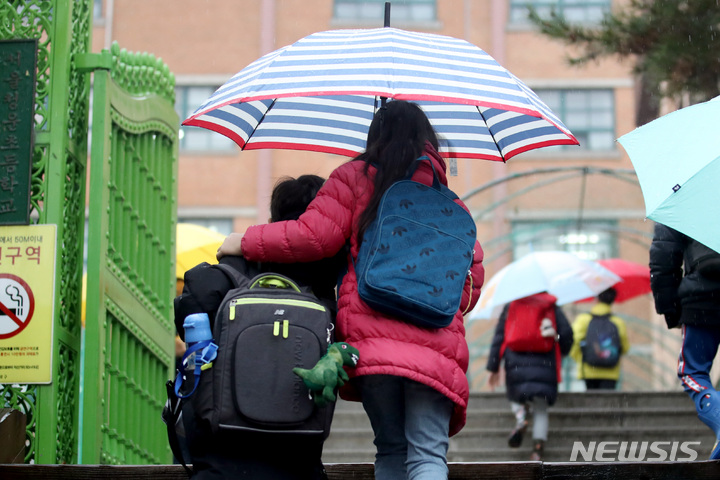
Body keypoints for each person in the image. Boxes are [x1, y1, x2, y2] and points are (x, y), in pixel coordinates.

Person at [217, 100, 485, 480]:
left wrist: (243, 240)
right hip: (437, 345)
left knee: (391, 449)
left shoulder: (354, 177)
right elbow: (471, 281)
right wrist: (432, 300)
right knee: (428, 455)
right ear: (430, 143)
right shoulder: (450, 202)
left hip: (371, 339)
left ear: (375, 136)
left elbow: (313, 237)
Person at [174, 174, 346, 480]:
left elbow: (188, 320)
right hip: (298, 462)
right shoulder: (326, 288)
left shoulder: (224, 275)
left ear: (275, 219)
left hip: (221, 461)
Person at [649, 222, 720, 460]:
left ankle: (718, 415)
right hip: (700, 300)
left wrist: (671, 309)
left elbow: (663, 257)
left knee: (694, 373)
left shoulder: (682, 195)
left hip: (701, 300)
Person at [485, 292, 573, 461]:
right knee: (540, 408)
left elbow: (499, 338)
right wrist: (558, 339)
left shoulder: (511, 306)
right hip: (544, 364)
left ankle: (521, 419)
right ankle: (537, 449)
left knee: (517, 397)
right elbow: (567, 335)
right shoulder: (551, 305)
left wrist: (493, 367)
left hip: (515, 363)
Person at [570, 287, 630, 390]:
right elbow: (625, 348)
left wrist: (580, 358)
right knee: (608, 403)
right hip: (611, 371)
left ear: (596, 299)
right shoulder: (618, 322)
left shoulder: (583, 320)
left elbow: (573, 342)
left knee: (591, 402)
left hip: (588, 370)